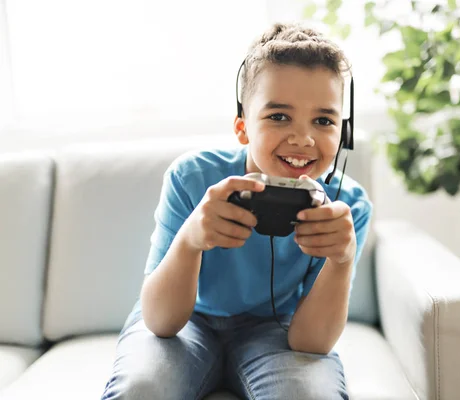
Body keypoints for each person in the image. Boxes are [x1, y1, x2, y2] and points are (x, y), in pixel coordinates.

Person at [101, 22, 373, 400]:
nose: (303, 138)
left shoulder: (347, 206)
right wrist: (190, 240)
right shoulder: (191, 178)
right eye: (279, 116)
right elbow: (161, 322)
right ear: (242, 127)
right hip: (190, 320)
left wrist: (341, 261)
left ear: (343, 133)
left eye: (323, 121)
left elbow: (311, 342)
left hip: (277, 328)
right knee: (142, 388)